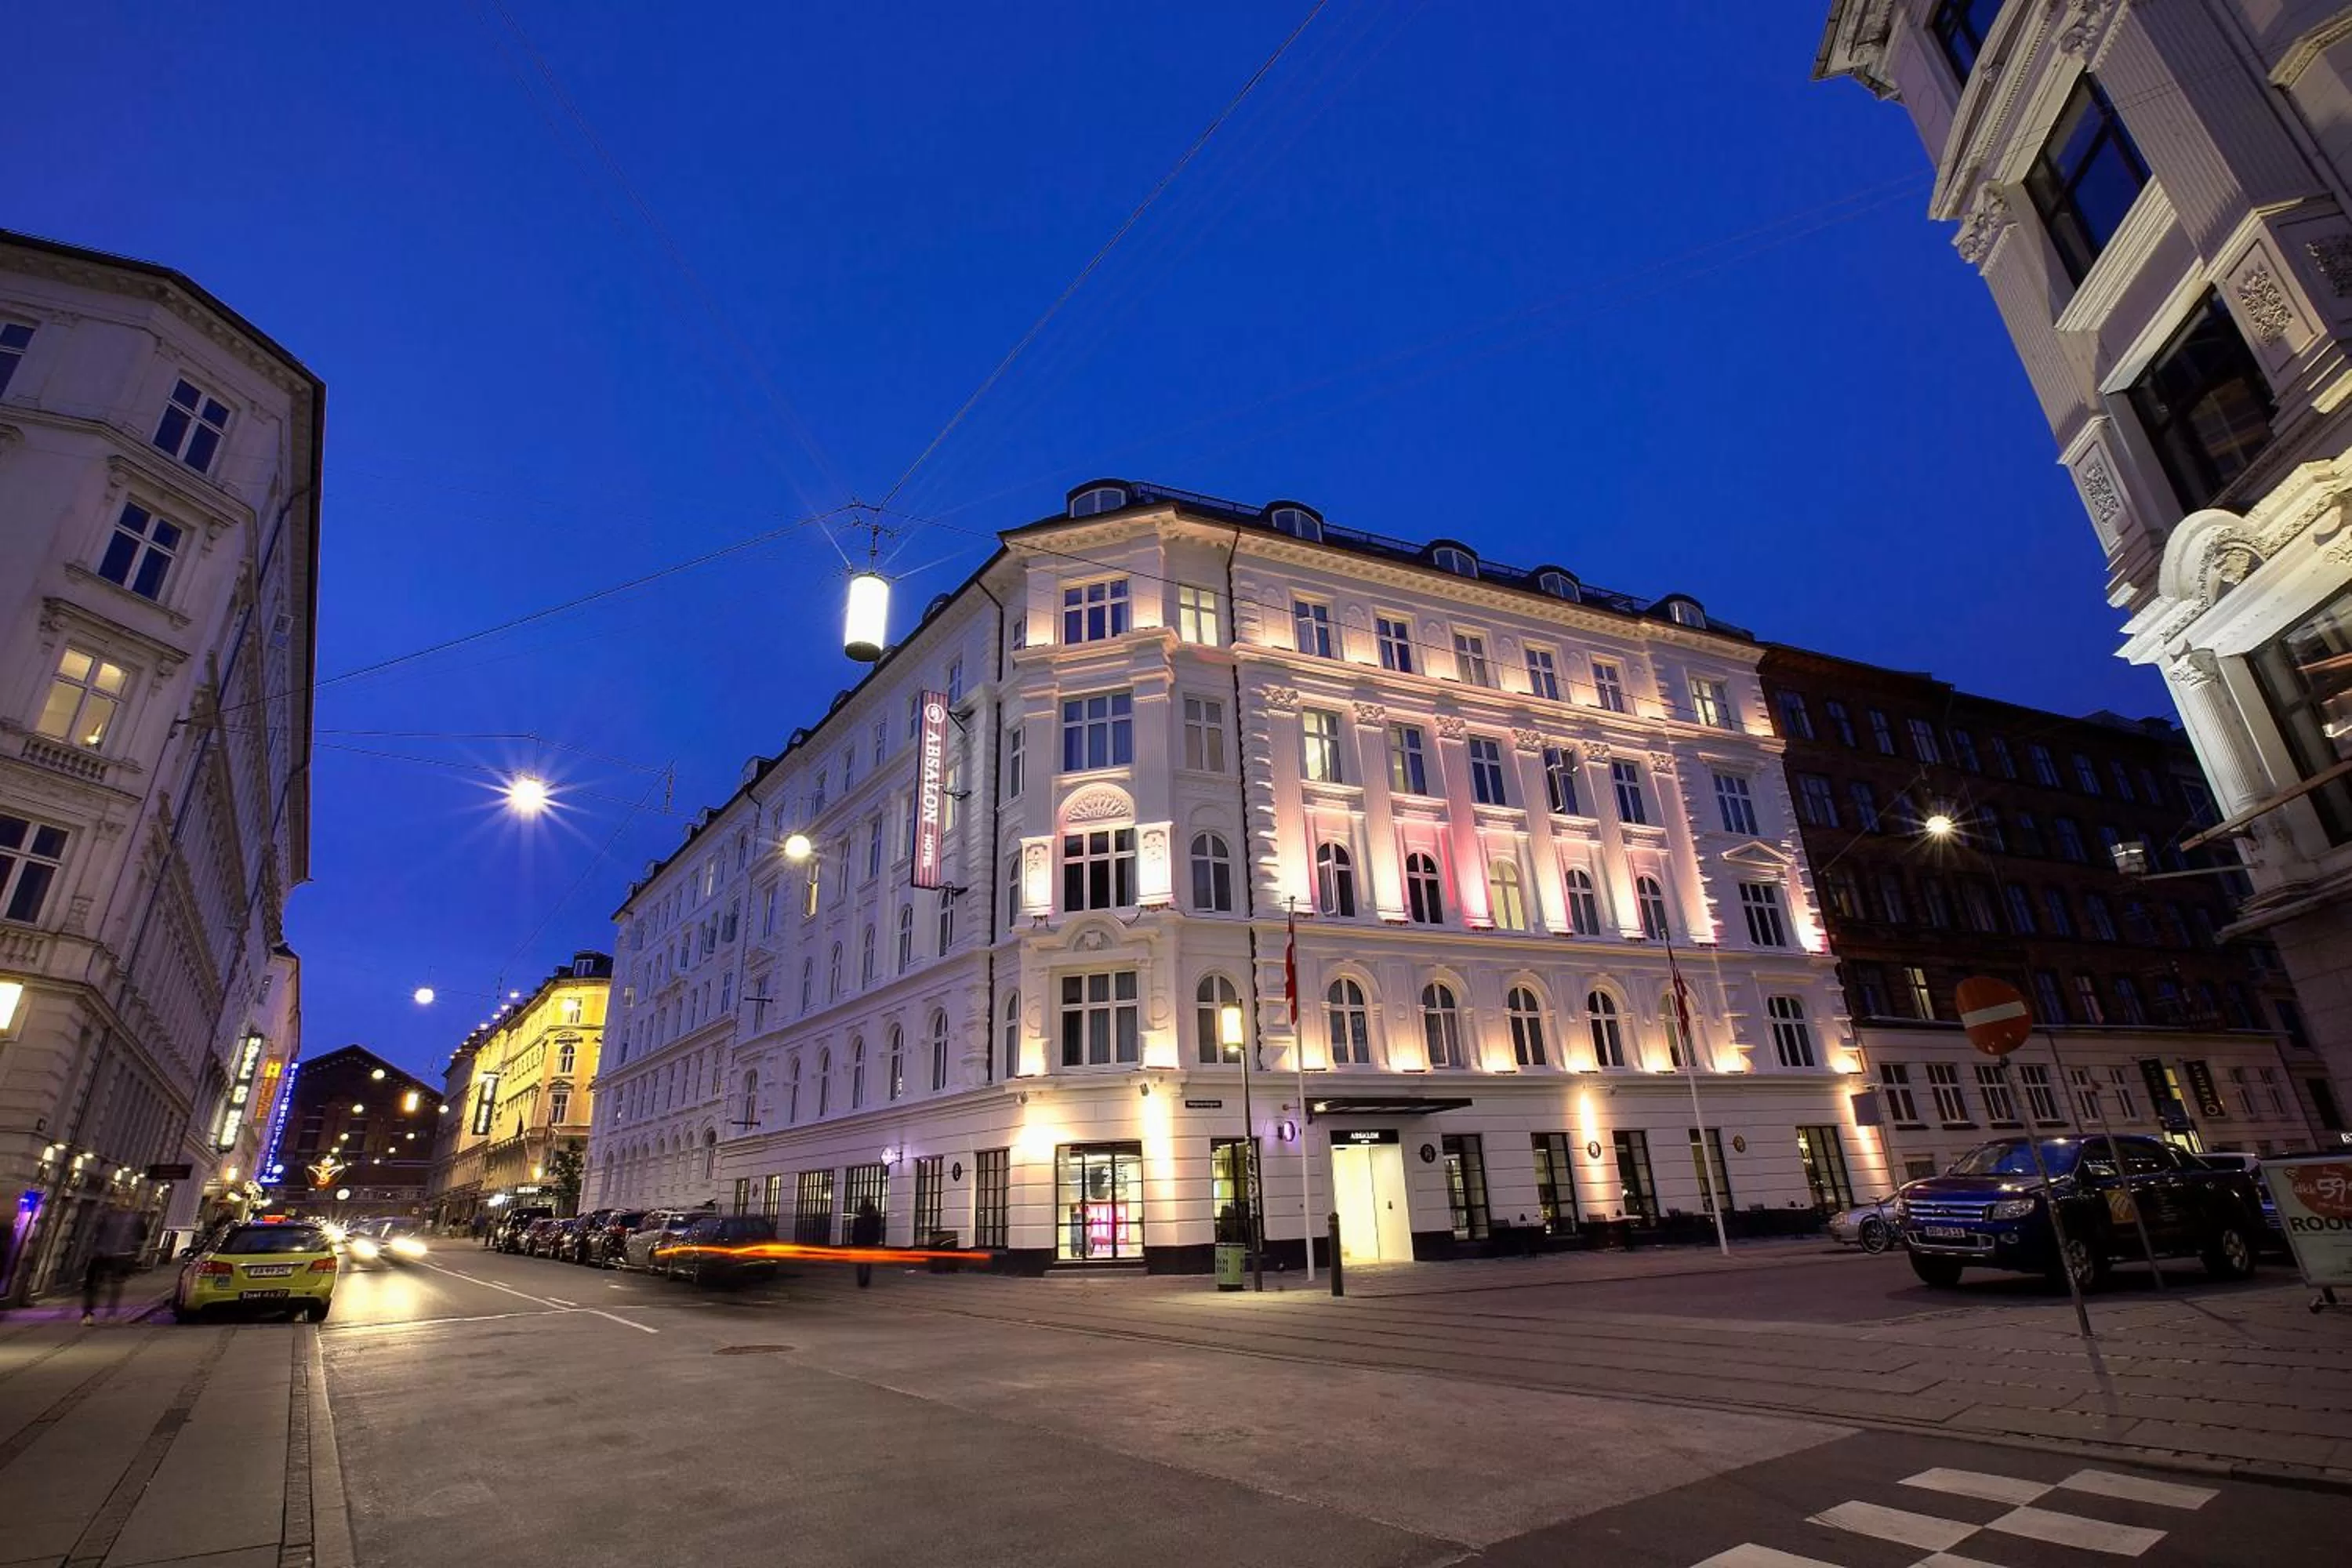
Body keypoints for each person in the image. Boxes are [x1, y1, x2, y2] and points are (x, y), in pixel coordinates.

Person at [80, 1200, 144, 1325]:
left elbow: (94, 1233)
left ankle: (88, 1314)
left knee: (93, 1286)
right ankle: (110, 1314)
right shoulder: (135, 1219)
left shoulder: (105, 1216)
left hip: (101, 1254)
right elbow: (142, 1237)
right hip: (120, 1256)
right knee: (116, 1285)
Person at [849, 1200, 882, 1287]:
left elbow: (855, 1228)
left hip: (860, 1241)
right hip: (869, 1241)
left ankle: (861, 1281)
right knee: (868, 1263)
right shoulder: (874, 1214)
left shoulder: (860, 1213)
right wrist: (876, 1239)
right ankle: (866, 1280)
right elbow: (877, 1228)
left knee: (860, 1263)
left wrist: (854, 1240)